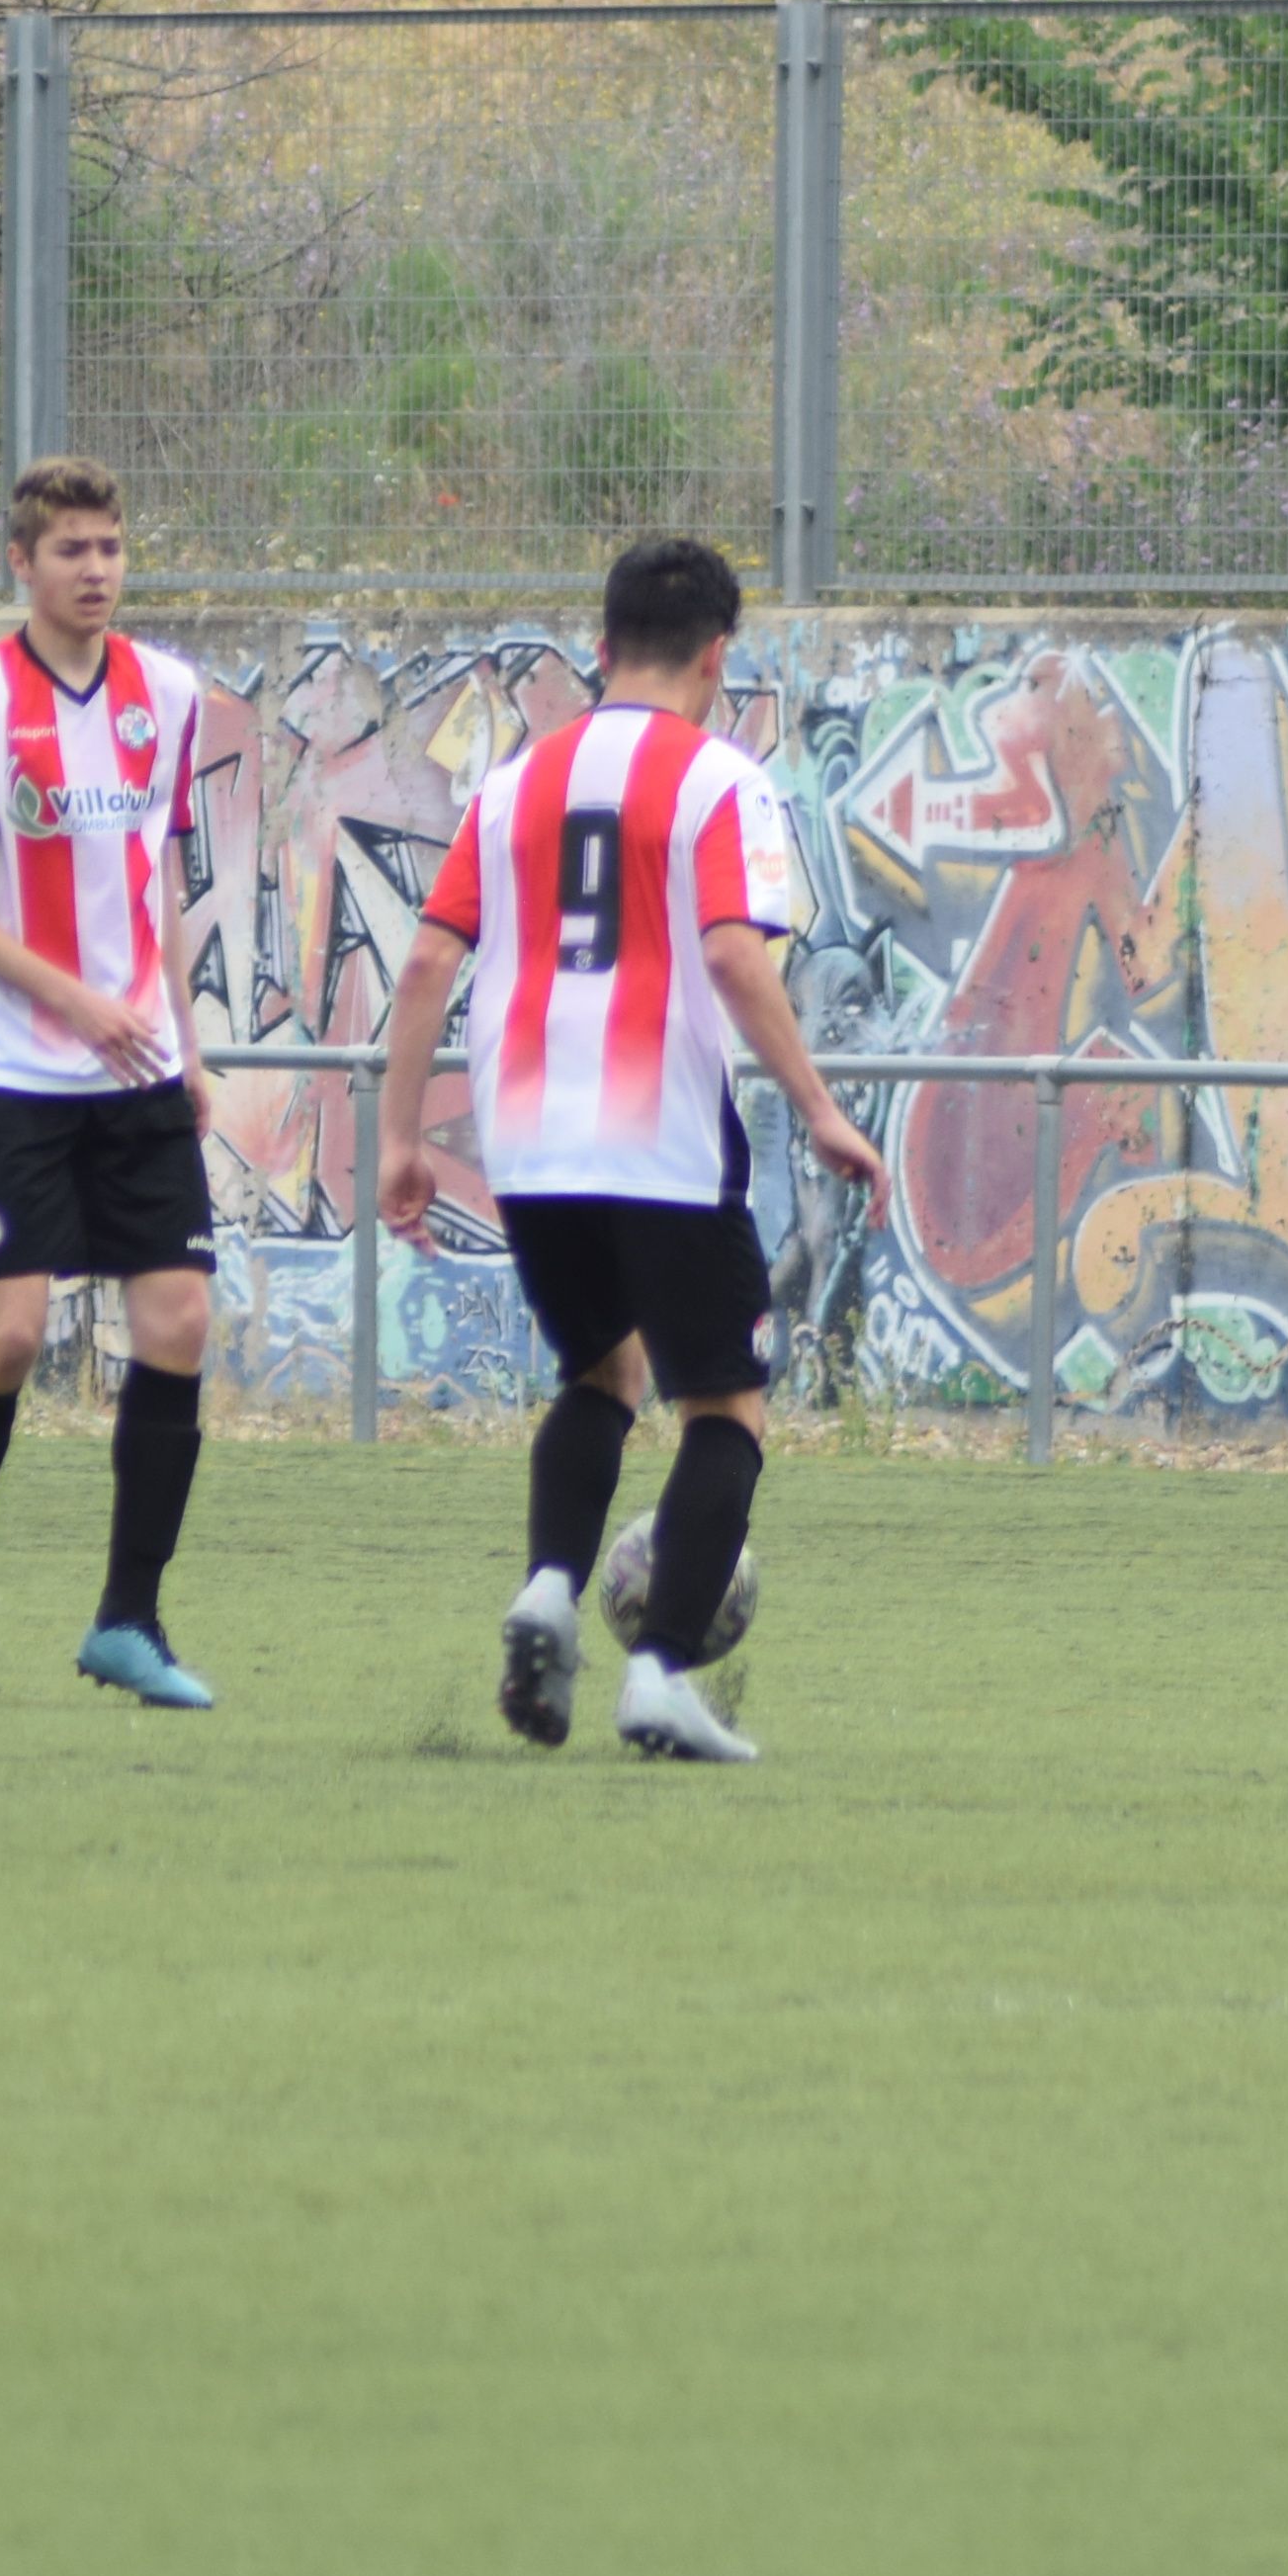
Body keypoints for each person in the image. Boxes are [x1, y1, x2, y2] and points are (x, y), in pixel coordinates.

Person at [374, 538, 883, 1768]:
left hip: (529, 1143)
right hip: (659, 1138)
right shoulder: (720, 779)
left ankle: (549, 1589)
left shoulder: (509, 786)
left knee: (604, 1375)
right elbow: (728, 953)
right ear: (720, 654)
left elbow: (432, 961)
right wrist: (817, 1106)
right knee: (726, 1405)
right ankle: (656, 1676)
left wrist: (397, 1137)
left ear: (599, 649)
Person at [0, 455, 223, 1709]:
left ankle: (130, 1617)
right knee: (11, 1334)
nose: (97, 570)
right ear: (18, 564)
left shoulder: (171, 694)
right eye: (71, 550)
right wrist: (71, 998)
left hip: (138, 1074)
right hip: (16, 1074)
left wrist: (185, 1040)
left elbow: (160, 889)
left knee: (181, 1325)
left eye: (111, 547)